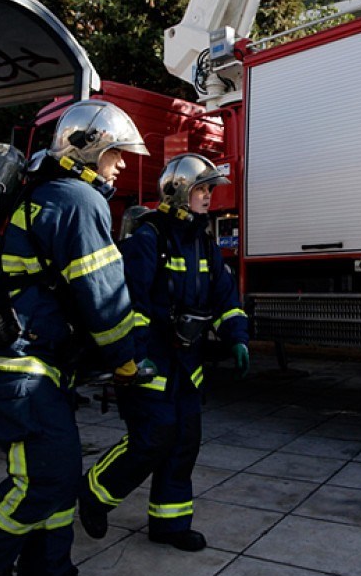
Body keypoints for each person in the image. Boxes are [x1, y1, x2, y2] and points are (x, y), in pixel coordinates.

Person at [0, 100, 148, 576]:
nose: (121, 166)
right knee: (44, 477)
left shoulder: (46, 191)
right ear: (89, 149)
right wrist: (125, 359)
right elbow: (103, 294)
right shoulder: (78, 200)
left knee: (58, 473)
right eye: (116, 154)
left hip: (29, 352)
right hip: (16, 358)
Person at [78, 153, 250, 552]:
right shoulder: (148, 239)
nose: (208, 197)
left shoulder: (204, 243)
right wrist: (133, 357)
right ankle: (95, 492)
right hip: (150, 362)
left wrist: (237, 336)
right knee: (151, 439)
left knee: (184, 441)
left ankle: (169, 524)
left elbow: (225, 298)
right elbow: (130, 305)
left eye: (209, 190)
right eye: (202, 189)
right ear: (179, 191)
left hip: (187, 365)